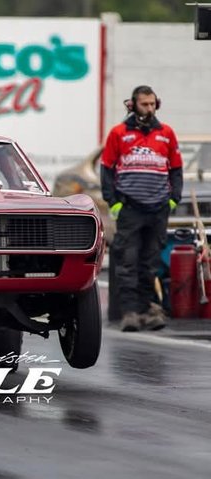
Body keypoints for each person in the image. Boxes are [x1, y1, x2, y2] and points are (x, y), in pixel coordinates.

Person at [101, 85, 183, 332]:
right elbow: (107, 168)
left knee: (151, 262)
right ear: (133, 105)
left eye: (152, 104)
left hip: (158, 208)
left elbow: (176, 169)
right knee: (128, 260)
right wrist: (113, 201)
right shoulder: (119, 133)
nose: (149, 108)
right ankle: (130, 313)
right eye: (144, 104)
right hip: (130, 207)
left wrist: (173, 199)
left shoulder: (166, 133)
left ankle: (148, 309)